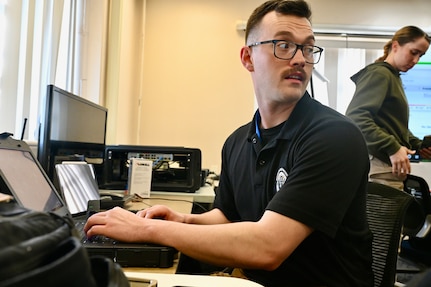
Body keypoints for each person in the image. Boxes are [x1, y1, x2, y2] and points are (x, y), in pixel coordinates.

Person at [85, 1, 374, 286]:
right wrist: (182, 221)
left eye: (307, 48)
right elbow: (228, 216)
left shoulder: (334, 137)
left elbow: (268, 247)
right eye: (283, 45)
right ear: (248, 58)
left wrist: (147, 229)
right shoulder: (238, 141)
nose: (299, 59)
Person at [346, 26, 431, 190]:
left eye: (420, 55)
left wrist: (418, 145)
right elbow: (356, 118)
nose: (416, 60)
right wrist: (393, 147)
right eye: (413, 52)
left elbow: (392, 126)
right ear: (395, 46)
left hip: (387, 169)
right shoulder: (379, 73)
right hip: (379, 167)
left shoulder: (393, 77)